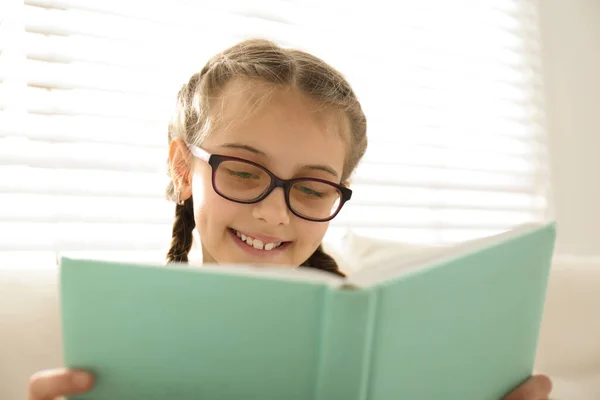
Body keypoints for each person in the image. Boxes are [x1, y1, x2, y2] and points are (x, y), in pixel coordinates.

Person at [27, 39, 553, 400]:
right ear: (183, 169)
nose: (274, 212)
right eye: (243, 171)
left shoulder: (383, 349)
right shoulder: (118, 342)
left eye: (310, 187)